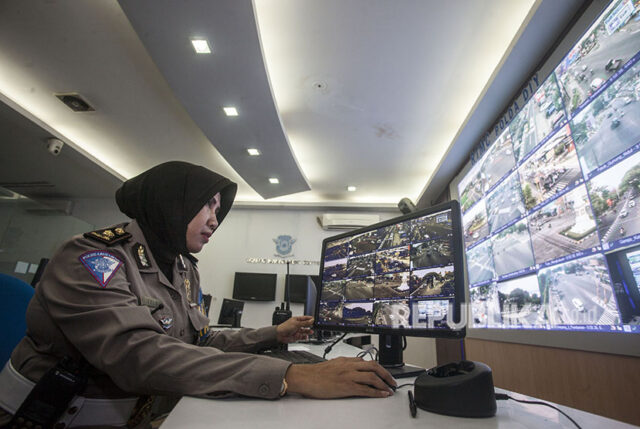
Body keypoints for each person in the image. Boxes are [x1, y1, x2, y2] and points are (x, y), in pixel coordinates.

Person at [0, 161, 395, 428]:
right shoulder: (92, 257)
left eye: (218, 209)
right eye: (206, 205)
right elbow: (140, 356)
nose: (214, 220)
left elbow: (199, 340)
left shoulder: (182, 266)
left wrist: (272, 336)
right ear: (171, 203)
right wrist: (292, 375)